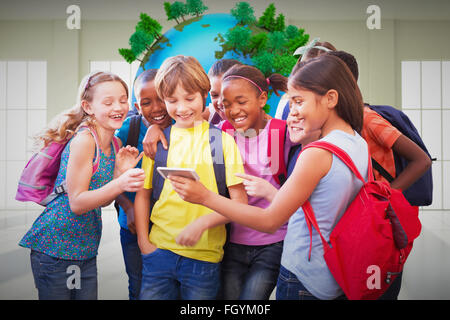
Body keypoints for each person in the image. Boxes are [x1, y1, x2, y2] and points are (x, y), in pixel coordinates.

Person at [169, 54, 368, 300]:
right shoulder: (357, 142)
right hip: (331, 271)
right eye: (291, 103)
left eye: (298, 102)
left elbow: (270, 220)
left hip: (302, 270)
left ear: (330, 99)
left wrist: (204, 197)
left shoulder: (315, 153)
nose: (291, 112)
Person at [19, 71, 145, 300]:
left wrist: (119, 174)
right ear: (88, 106)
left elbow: (102, 199)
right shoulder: (85, 141)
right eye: (108, 102)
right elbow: (77, 202)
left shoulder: (115, 143)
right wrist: (120, 183)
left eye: (123, 99)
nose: (118, 107)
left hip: (84, 249)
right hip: (56, 248)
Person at [134, 55, 248, 300]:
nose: (182, 108)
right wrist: (145, 243)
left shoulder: (223, 142)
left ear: (204, 94)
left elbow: (241, 205)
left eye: (190, 98)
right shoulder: (158, 142)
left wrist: (202, 224)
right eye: (172, 100)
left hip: (204, 258)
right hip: (159, 252)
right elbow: (142, 195)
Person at [326, 50, 432, 299]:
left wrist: (382, 199)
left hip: (380, 222)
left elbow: (422, 160)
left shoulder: (368, 119)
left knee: (380, 287)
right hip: (358, 222)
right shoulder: (341, 121)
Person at [216, 64, 291, 300]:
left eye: (241, 101)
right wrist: (156, 128)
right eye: (226, 104)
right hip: (233, 240)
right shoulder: (222, 133)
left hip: (273, 241)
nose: (233, 110)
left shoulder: (283, 133)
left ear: (262, 98)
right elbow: (186, 126)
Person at [114, 69, 172, 300]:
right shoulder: (130, 130)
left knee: (168, 286)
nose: (156, 108)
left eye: (161, 98)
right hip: (133, 225)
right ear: (138, 107)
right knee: (138, 284)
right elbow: (110, 179)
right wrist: (128, 208)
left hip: (170, 225)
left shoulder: (182, 127)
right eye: (147, 102)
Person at [275, 39, 336, 120]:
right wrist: (269, 128)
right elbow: (276, 130)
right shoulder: (285, 101)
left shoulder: (338, 117)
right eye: (303, 76)